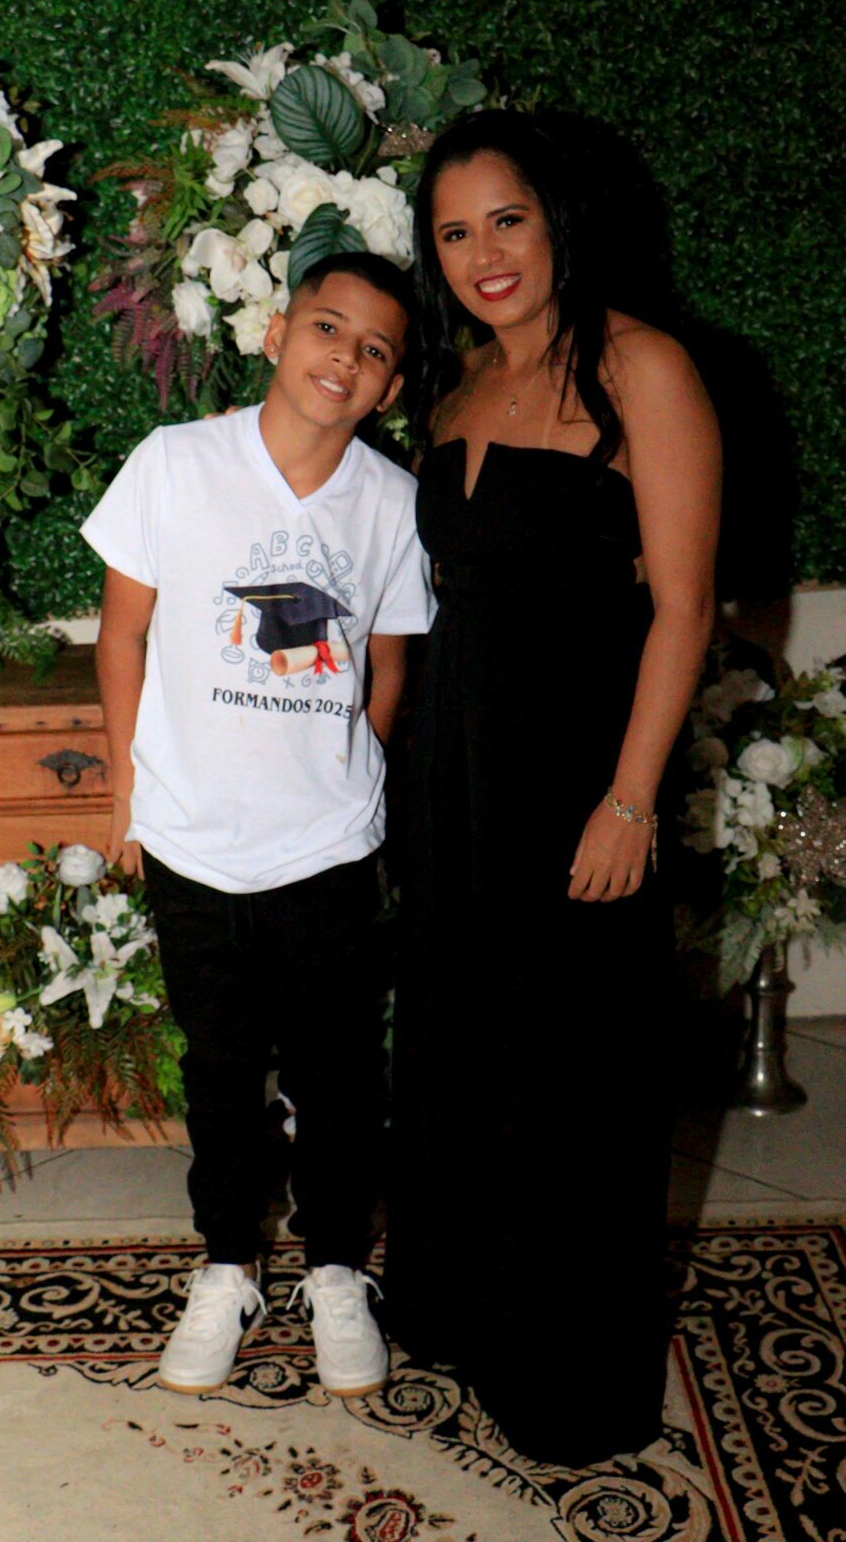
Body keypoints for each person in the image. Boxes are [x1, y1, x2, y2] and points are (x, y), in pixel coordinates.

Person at [386, 111, 720, 1467]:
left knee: (571, 1077)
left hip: (576, 774)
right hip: (449, 773)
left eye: (506, 219)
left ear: (556, 219)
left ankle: (567, 1379)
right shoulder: (454, 382)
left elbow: (683, 606)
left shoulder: (642, 367)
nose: (484, 254)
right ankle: (462, 1316)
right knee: (460, 1046)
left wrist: (627, 799)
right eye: (453, 232)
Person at [81, 251, 435, 1398]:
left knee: (339, 1074)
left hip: (325, 849)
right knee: (220, 1067)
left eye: (373, 348)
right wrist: (130, 788)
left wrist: (348, 772)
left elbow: (387, 662)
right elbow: (122, 633)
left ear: (390, 384)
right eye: (327, 328)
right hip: (192, 837)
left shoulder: (390, 503)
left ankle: (334, 1267)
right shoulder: (176, 463)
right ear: (277, 332)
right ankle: (226, 1263)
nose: (345, 358)